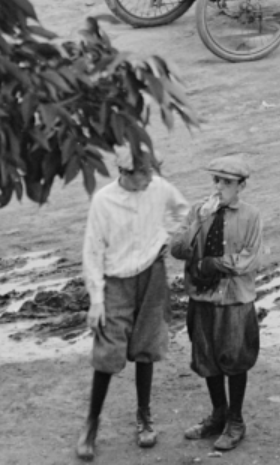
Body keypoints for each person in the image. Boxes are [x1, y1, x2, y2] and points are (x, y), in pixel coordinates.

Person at [77, 146, 188, 461]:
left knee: (147, 345)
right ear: (125, 173)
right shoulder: (104, 201)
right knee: (108, 353)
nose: (151, 177)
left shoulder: (159, 188)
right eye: (145, 172)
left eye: (152, 170)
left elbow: (185, 212)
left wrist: (169, 238)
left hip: (152, 276)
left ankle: (144, 417)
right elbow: (93, 250)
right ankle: (91, 425)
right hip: (116, 283)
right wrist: (96, 300)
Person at [170, 154, 268, 452]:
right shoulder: (200, 211)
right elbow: (177, 248)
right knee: (207, 359)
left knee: (235, 358)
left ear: (241, 186)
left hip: (234, 299)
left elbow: (250, 258)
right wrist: (199, 222)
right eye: (217, 180)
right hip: (202, 297)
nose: (220, 187)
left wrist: (216, 264)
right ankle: (218, 414)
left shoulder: (251, 216)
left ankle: (236, 420)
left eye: (227, 182)